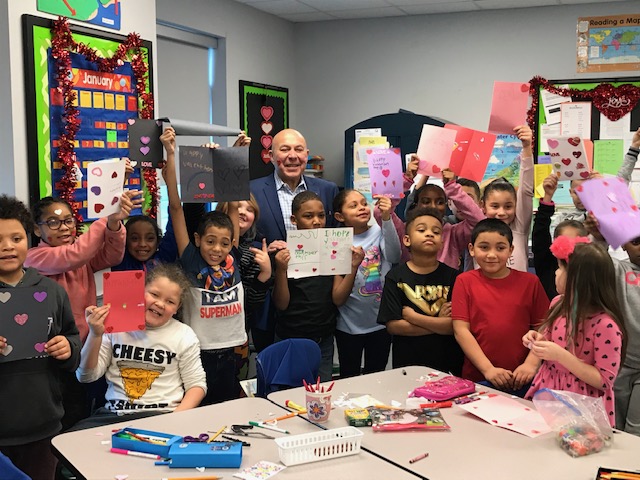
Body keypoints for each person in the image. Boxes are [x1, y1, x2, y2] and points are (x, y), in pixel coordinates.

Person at [162, 128, 270, 404]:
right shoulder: (190, 257)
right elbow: (175, 207)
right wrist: (171, 153)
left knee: (229, 405)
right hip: (198, 350)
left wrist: (235, 154)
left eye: (223, 243)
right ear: (198, 240)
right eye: (210, 242)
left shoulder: (233, 254)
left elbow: (233, 201)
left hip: (235, 348)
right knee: (200, 407)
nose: (217, 249)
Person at [24, 189, 141, 429]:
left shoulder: (80, 260)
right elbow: (73, 255)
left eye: (69, 221)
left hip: (83, 347)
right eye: (53, 222)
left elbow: (112, 255)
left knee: (78, 408)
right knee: (56, 413)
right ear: (37, 229)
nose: (65, 227)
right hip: (51, 354)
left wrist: (115, 224)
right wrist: (106, 216)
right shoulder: (34, 257)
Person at [0, 195, 80, 480]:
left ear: (28, 239)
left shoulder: (51, 291)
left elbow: (72, 338)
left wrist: (67, 348)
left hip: (43, 425)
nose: (7, 246)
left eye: (16, 238)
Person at [76, 263, 206, 425]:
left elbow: (196, 385)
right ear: (140, 292)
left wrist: (176, 419)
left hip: (162, 414)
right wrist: (95, 334)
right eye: (154, 294)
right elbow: (85, 376)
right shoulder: (114, 327)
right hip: (115, 415)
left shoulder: (184, 335)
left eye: (170, 301)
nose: (160, 304)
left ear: (177, 308)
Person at [523, 238, 624, 426]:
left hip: (583, 407)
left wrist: (561, 355)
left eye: (560, 268)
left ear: (577, 280)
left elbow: (604, 380)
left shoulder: (605, 325)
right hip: (549, 394)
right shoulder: (558, 304)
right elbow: (548, 338)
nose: (555, 272)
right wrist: (536, 339)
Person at [272, 191, 364, 381]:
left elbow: (338, 298)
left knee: (321, 393)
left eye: (321, 215)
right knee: (287, 393)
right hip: (290, 338)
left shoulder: (335, 249)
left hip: (323, 340)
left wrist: (353, 267)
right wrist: (281, 270)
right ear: (294, 219)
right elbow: (281, 304)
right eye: (308, 216)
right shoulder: (285, 254)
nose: (316, 221)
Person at [452, 219, 549, 394]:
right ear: (472, 249)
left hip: (523, 376)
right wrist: (488, 369)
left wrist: (531, 363)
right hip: (479, 376)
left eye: (500, 248)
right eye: (484, 247)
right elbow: (461, 331)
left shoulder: (530, 282)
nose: (491, 255)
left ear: (511, 250)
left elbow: (544, 327)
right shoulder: (464, 281)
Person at [377, 207, 463, 375]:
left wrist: (414, 318)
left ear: (442, 242)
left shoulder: (454, 277)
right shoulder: (395, 277)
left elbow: (454, 326)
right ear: (407, 240)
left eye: (436, 232)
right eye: (422, 230)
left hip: (447, 363)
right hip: (408, 365)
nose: (430, 234)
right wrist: (438, 323)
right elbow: (394, 326)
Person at [332, 190, 401, 378]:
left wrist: (386, 219)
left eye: (364, 203)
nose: (362, 208)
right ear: (340, 216)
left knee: (377, 375)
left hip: (379, 323)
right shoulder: (336, 241)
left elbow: (395, 256)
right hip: (348, 325)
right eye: (353, 205)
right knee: (348, 376)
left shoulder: (379, 231)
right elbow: (337, 294)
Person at [585, 214, 640, 435]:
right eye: (636, 241)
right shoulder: (618, 271)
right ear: (624, 245)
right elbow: (593, 262)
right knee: (613, 424)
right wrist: (599, 237)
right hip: (620, 365)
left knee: (636, 428)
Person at [250, 128, 340, 245]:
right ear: (271, 156)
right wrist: (267, 250)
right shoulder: (252, 191)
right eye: (284, 149)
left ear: (306, 155)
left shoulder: (328, 190)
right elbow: (242, 239)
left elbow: (338, 234)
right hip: (270, 262)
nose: (292, 156)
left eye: (298, 149)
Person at [216, 196, 271, 383]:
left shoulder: (255, 251)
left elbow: (250, 303)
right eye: (236, 207)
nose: (242, 212)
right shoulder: (207, 250)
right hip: (206, 335)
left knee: (235, 386)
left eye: (249, 209)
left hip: (238, 335)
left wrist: (265, 274)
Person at [390, 167, 485, 270]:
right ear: (416, 204)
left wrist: (452, 187)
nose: (433, 206)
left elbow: (479, 221)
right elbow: (382, 211)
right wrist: (406, 179)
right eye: (426, 202)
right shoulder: (405, 230)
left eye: (440, 202)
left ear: (446, 206)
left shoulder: (453, 234)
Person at [480, 125, 534, 272]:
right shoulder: (478, 228)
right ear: (483, 207)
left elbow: (526, 191)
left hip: (517, 294)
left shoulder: (519, 229)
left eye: (508, 206)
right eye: (495, 206)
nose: (502, 212)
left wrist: (527, 147)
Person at [532, 173, 588, 299]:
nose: (570, 249)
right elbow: (540, 234)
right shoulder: (549, 267)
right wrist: (547, 196)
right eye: (564, 243)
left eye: (576, 243)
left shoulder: (591, 271)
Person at [111, 214, 177, 272]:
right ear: (125, 241)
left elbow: (174, 224)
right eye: (135, 238)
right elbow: (115, 234)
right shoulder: (118, 261)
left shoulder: (164, 259)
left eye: (150, 238)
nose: (142, 244)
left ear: (158, 241)